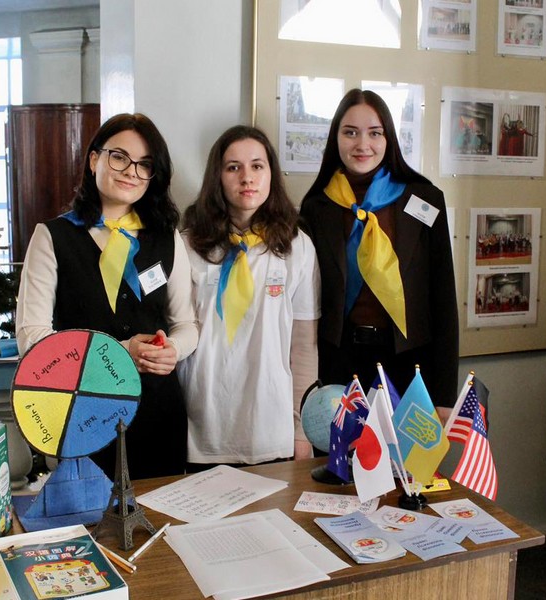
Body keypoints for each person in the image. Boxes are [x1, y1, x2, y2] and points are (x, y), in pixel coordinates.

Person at [16, 112, 198, 479]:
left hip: (157, 411)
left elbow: (186, 324)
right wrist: (120, 351)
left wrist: (173, 350)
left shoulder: (167, 238)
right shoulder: (52, 237)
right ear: (94, 159)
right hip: (83, 411)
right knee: (91, 511)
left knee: (161, 508)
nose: (132, 171)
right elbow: (32, 337)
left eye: (145, 164)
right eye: (119, 157)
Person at [300, 89, 459, 417]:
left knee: (404, 452)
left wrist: (444, 394)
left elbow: (444, 301)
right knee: (344, 450)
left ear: (389, 139)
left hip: (410, 363)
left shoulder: (425, 200)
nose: (363, 144)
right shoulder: (317, 207)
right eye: (350, 133)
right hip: (339, 364)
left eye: (375, 133)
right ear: (335, 138)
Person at [179, 125, 320, 468]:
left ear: (271, 173)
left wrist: (301, 429)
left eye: (257, 166)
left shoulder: (297, 246)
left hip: (270, 429)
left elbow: (303, 347)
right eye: (233, 167)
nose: (247, 178)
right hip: (202, 428)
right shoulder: (186, 245)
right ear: (217, 176)